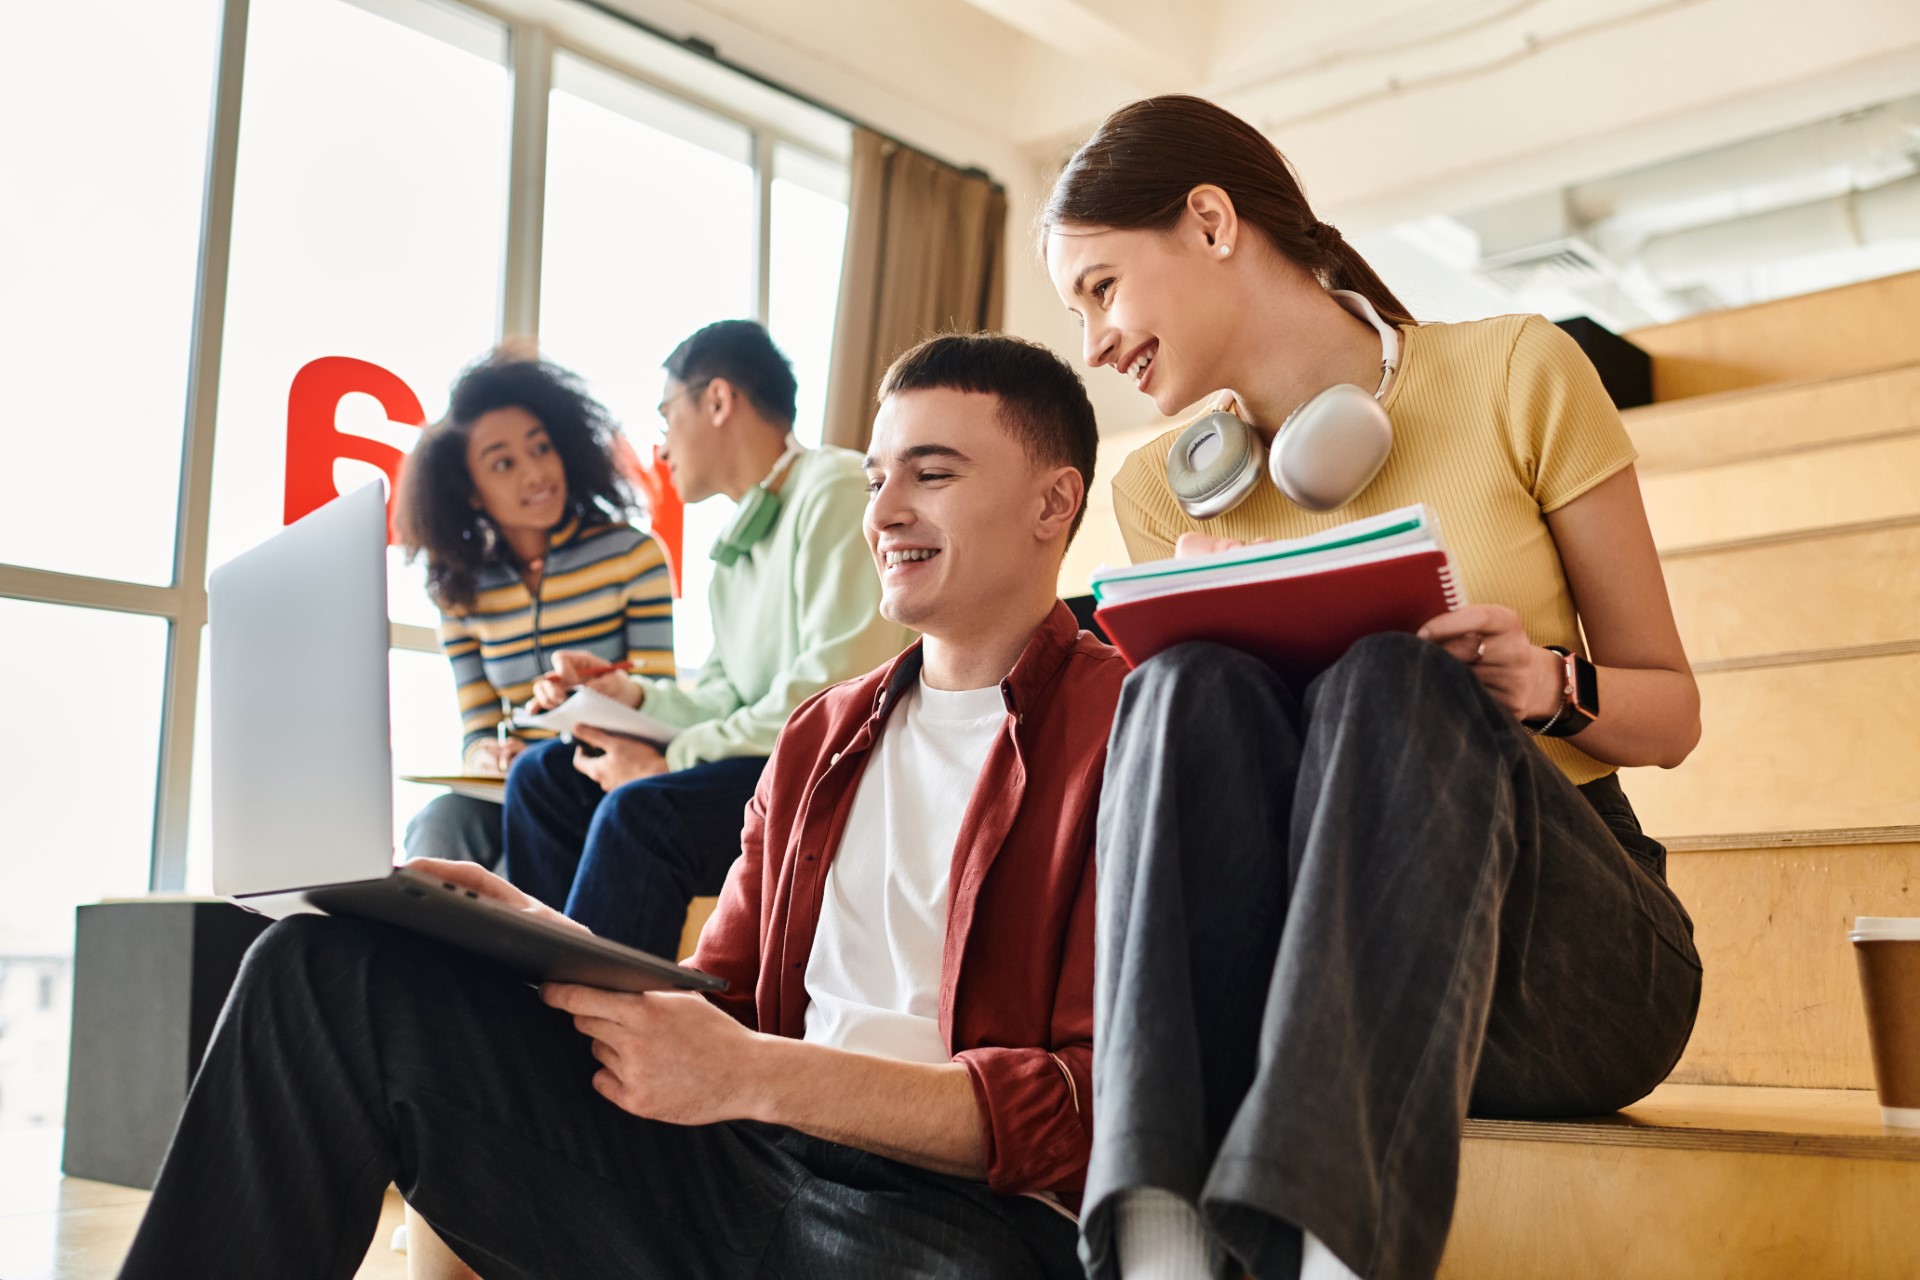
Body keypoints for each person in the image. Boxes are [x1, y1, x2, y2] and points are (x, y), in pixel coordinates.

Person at [117, 332, 1121, 1280]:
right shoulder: (823, 736)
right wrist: (536, 936)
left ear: (1052, 502)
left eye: (931, 474)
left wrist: (753, 1075)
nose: (885, 511)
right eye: (876, 479)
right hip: (750, 1165)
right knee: (323, 970)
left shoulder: (1131, 730)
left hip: (952, 1223)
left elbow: (1090, 1107)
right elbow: (721, 1001)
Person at [1041, 96, 1703, 1280]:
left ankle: (1334, 1254)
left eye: (1101, 288)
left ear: (1210, 222)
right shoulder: (1159, 494)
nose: (1093, 343)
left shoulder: (1515, 370)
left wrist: (1543, 682)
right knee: (1179, 685)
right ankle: (1160, 1248)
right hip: (1310, 973)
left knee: (1398, 674)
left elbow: (1675, 713)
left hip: (1566, 962)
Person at [502, 320, 912, 958]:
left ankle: (584, 1018)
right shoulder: (732, 555)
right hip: (762, 757)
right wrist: (630, 698)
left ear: (718, 400)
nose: (661, 446)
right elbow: (722, 694)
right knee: (542, 776)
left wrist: (673, 760)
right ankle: (530, 992)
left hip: (823, 773)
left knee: (643, 812)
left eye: (666, 416)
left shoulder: (833, 488)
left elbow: (831, 699)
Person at [395, 354, 675, 869]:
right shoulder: (461, 594)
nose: (536, 473)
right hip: (505, 791)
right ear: (469, 491)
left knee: (516, 852)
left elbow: (660, 699)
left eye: (542, 448)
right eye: (504, 464)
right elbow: (478, 728)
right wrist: (487, 756)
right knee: (439, 822)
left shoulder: (632, 556)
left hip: (597, 781)